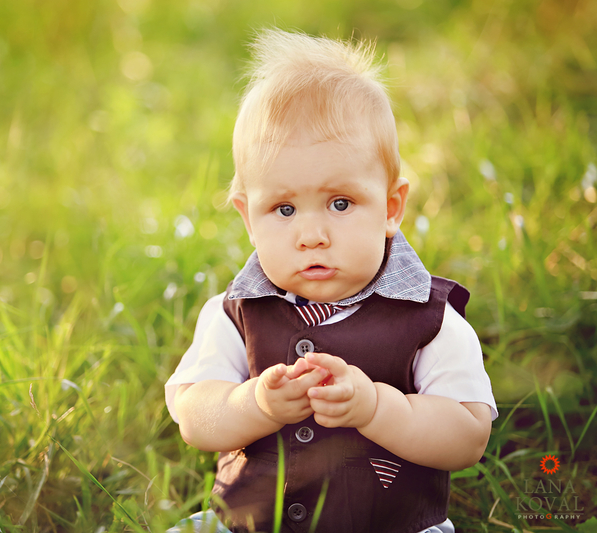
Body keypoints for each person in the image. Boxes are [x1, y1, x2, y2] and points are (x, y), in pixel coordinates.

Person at [165, 29, 497, 533]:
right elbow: (195, 418)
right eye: (284, 209)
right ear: (248, 218)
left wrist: (377, 407)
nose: (312, 236)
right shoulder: (236, 314)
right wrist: (255, 404)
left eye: (340, 203)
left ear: (391, 207)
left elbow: (468, 437)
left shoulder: (429, 319)